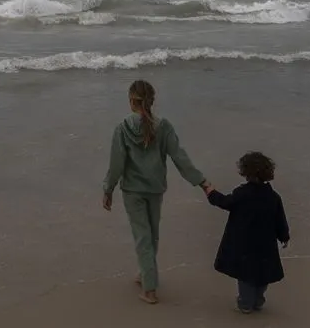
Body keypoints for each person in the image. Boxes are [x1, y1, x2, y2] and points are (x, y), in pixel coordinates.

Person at [102, 79, 210, 305]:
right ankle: (145, 273)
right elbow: (180, 157)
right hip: (155, 188)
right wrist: (202, 181)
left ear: (132, 101)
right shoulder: (164, 126)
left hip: (132, 190)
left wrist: (108, 189)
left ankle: (149, 290)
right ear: (151, 101)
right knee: (152, 233)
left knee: (142, 236)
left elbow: (116, 164)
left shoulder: (122, 128)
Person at [202, 151, 291, 314]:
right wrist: (284, 236)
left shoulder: (242, 193)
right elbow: (280, 219)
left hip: (244, 243)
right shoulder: (273, 197)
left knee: (245, 276)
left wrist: (210, 191)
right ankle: (258, 300)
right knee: (262, 275)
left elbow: (225, 202)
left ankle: (246, 303)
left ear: (246, 173)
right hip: (266, 244)